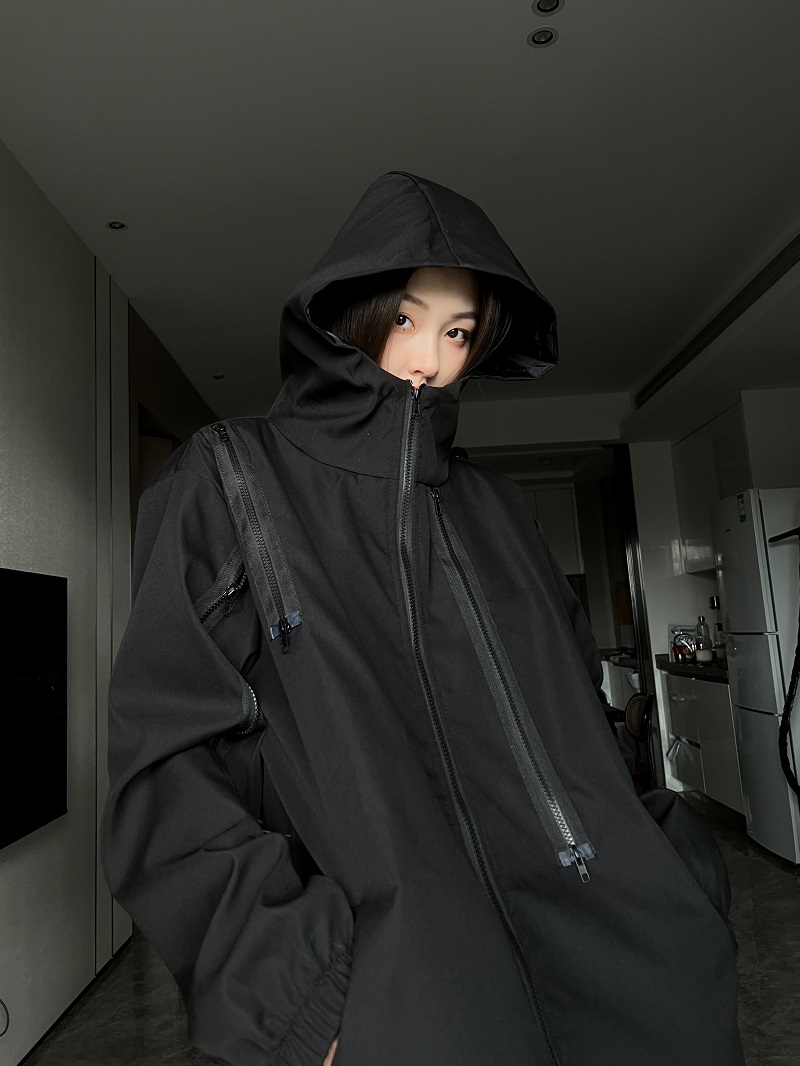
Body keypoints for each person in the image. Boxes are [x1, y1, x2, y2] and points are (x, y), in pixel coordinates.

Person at [101, 172, 744, 1066]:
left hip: (630, 965)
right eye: (405, 317)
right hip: (406, 1000)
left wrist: (680, 876)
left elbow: (579, 722)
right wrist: (298, 996)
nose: (429, 359)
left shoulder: (498, 508)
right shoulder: (228, 478)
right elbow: (164, 761)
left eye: (459, 332)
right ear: (345, 312)